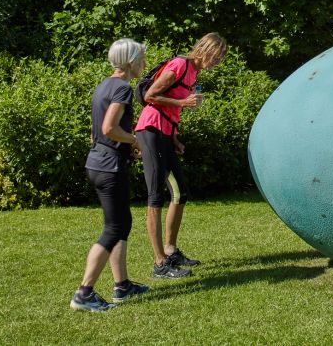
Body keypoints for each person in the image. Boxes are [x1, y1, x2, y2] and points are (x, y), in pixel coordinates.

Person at [135, 32, 228, 279]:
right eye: (215, 56)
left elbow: (173, 108)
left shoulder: (193, 73)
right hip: (150, 130)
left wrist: (174, 136)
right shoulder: (179, 64)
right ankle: (159, 264)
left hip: (165, 133)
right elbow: (150, 96)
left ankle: (170, 251)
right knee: (156, 196)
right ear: (205, 49)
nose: (216, 62)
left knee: (180, 193)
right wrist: (183, 103)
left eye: (220, 59)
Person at [70, 38, 149, 312]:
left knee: (121, 223)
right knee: (114, 228)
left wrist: (126, 145)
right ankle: (84, 292)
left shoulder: (103, 85)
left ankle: (122, 285)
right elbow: (108, 128)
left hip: (98, 162)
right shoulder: (123, 88)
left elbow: (95, 133)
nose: (144, 63)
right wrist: (134, 140)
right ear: (130, 61)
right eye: (141, 58)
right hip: (109, 167)